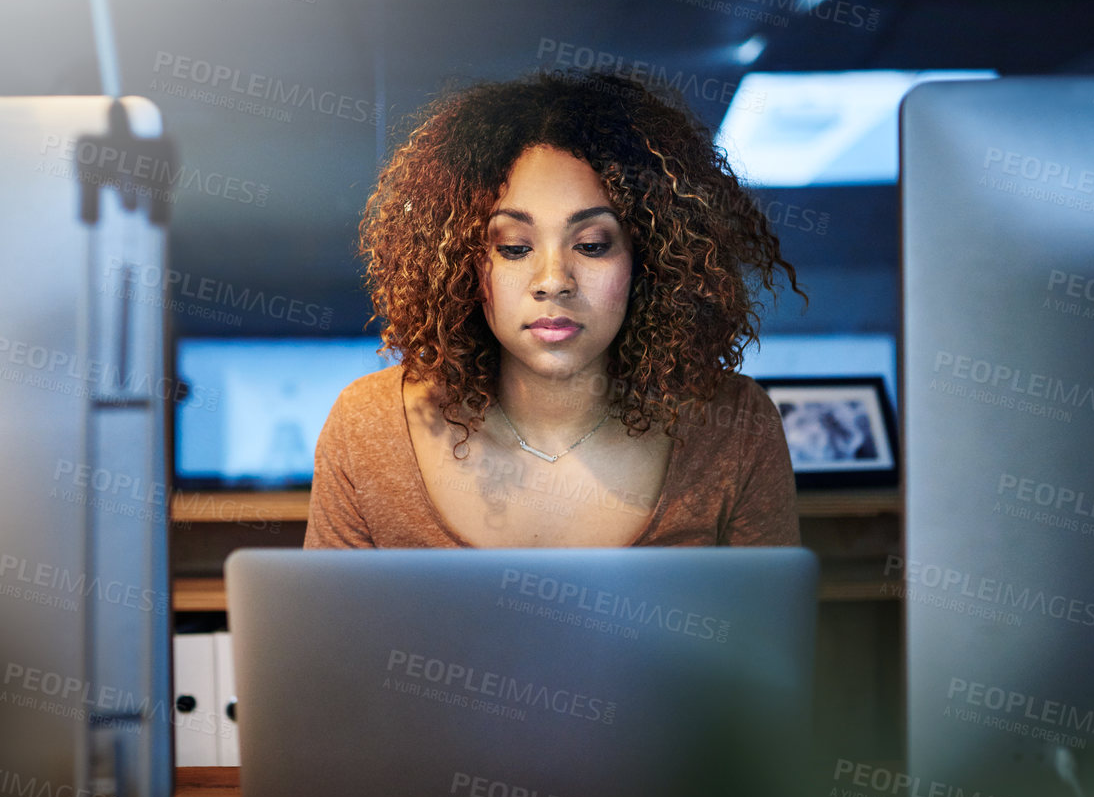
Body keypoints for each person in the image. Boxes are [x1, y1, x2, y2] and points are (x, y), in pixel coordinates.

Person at [304, 70, 804, 549]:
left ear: (648, 260)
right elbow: (324, 636)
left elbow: (768, 635)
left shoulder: (734, 426)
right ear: (464, 266)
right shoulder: (367, 427)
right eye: (514, 248)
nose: (553, 282)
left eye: (591, 244)